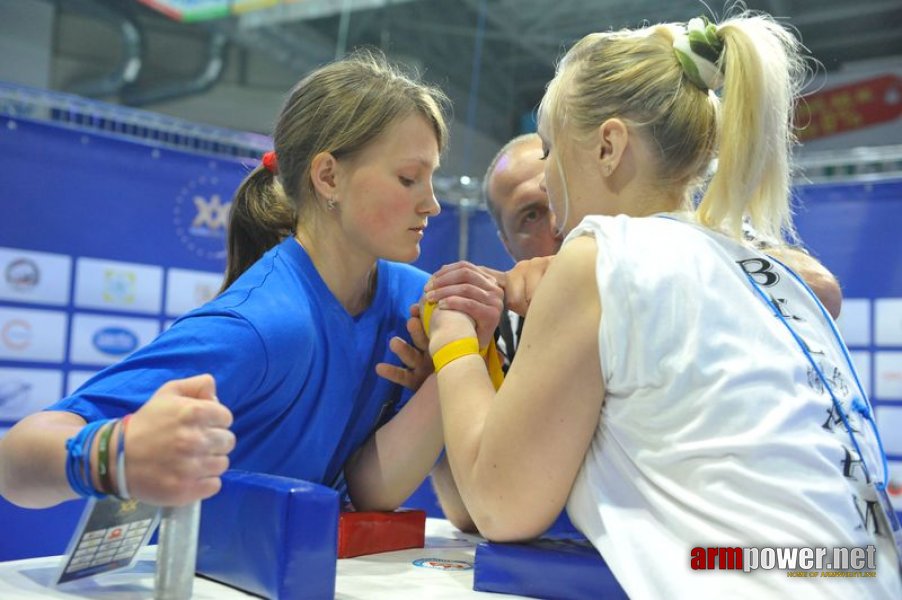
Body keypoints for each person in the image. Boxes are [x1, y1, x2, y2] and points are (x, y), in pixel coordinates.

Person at [424, 13, 901, 599]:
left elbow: (499, 505)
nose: (547, 179)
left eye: (550, 149)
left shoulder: (600, 255)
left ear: (608, 146)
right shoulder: (761, 265)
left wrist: (453, 341)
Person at [0, 50, 503, 511]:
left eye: (432, 179)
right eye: (408, 178)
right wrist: (118, 453)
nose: (432, 204)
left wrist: (448, 378)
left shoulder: (419, 303)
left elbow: (370, 493)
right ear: (328, 177)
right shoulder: (262, 326)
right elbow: (17, 461)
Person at [483, 132, 842, 368]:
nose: (558, 224)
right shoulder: (503, 335)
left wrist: (630, 270)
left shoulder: (688, 234)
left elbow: (820, 291)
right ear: (506, 243)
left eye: (562, 195)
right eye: (530, 216)